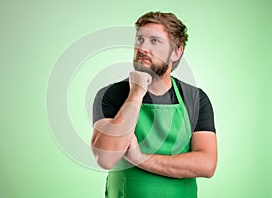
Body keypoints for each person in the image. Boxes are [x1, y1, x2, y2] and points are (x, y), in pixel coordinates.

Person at [91, 11, 217, 198]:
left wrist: (140, 159)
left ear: (176, 52)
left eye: (154, 41)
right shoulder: (112, 95)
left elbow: (207, 164)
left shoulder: (195, 98)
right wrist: (136, 93)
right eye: (140, 39)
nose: (143, 48)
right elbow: (106, 158)